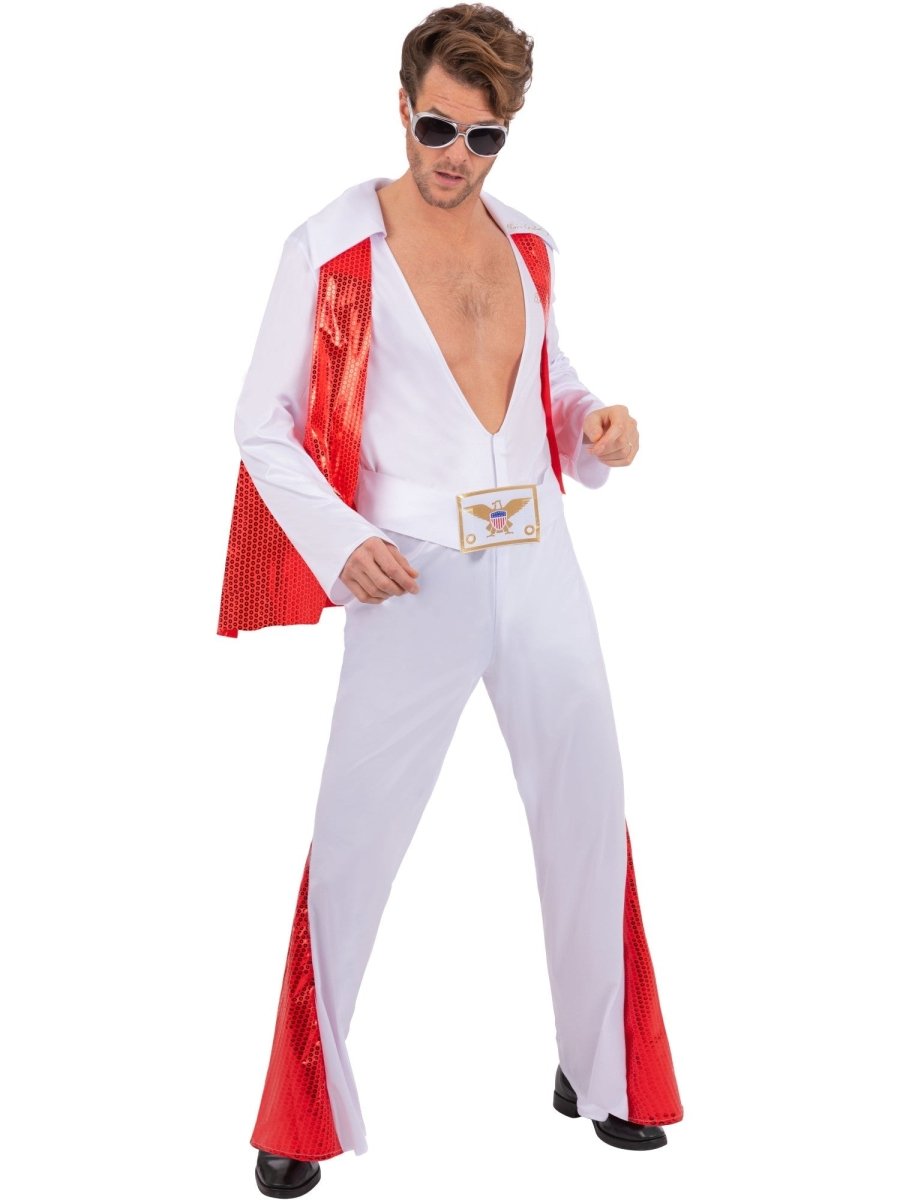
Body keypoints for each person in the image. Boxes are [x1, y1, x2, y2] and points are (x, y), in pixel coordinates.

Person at [227, 6, 683, 1195]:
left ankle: (603, 1069)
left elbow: (547, 375)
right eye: (437, 127)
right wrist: (342, 541)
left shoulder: (530, 244)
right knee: (355, 837)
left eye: (483, 138)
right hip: (412, 574)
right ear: (403, 106)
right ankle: (300, 1109)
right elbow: (261, 422)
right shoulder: (331, 247)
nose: (455, 156)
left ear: (505, 136)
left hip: (539, 558)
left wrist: (593, 423)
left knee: (590, 807)